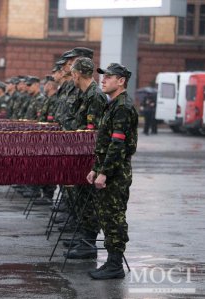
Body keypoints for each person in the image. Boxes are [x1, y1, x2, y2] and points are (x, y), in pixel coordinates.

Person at [87, 63, 138, 279]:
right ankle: (111, 262)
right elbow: (106, 143)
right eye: (103, 76)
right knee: (107, 216)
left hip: (116, 172)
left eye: (109, 77)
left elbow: (117, 145)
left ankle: (115, 265)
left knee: (115, 217)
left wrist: (104, 172)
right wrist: (95, 168)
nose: (103, 80)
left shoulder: (123, 107)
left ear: (121, 81)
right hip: (108, 168)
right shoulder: (114, 104)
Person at [64, 57, 107, 260]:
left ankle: (88, 243)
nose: (71, 75)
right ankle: (84, 238)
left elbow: (93, 133)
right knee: (81, 198)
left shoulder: (95, 96)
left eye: (72, 72)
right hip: (80, 153)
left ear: (77, 73)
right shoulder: (85, 94)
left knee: (89, 201)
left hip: (89, 155)